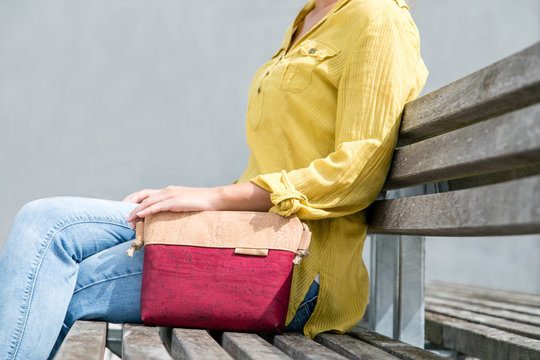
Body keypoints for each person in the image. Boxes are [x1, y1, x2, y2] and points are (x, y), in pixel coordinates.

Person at [0, 0, 428, 358]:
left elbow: (356, 172)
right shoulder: (310, 16)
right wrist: (203, 205)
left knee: (49, 291)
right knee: (43, 220)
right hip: (242, 236)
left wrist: (213, 197)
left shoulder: (376, 19)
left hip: (290, 270)